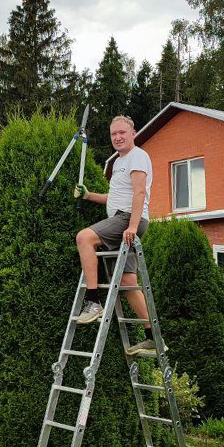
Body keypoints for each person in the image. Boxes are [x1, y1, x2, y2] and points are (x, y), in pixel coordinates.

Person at [73, 114, 155, 354]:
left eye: (122, 133)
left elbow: (139, 193)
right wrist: (89, 195)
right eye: (113, 134)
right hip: (122, 217)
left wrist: (131, 225)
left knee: (84, 237)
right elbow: (115, 197)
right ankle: (152, 337)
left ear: (133, 133)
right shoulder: (118, 162)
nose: (117, 137)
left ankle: (93, 301)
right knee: (128, 283)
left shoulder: (138, 156)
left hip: (127, 219)